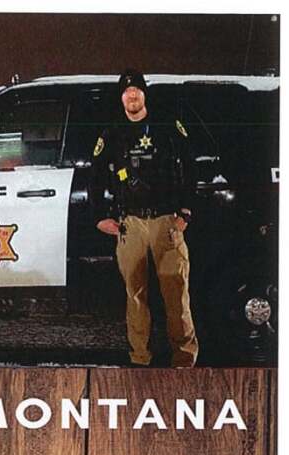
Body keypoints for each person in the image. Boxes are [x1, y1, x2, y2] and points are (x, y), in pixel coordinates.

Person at [93, 70, 199, 367]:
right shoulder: (112, 132)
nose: (133, 95)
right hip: (131, 225)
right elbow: (95, 176)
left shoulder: (166, 125)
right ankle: (140, 360)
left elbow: (191, 166)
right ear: (121, 97)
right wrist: (99, 218)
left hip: (167, 222)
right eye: (127, 91)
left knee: (176, 295)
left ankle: (184, 361)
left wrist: (186, 212)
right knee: (135, 297)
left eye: (137, 89)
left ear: (144, 94)